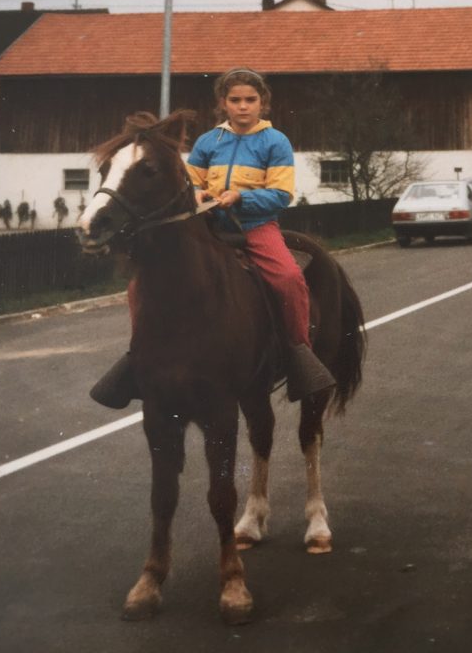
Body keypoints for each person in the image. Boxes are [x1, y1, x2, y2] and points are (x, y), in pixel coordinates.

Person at [90, 67, 335, 408]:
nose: (243, 107)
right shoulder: (209, 141)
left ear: (263, 103)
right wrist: (202, 195)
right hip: (209, 225)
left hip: (256, 226)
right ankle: (138, 355)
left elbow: (281, 193)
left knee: (289, 277)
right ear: (223, 103)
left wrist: (242, 197)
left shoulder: (275, 141)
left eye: (251, 100)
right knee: (138, 286)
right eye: (235, 100)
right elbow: (188, 183)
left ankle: (298, 353)